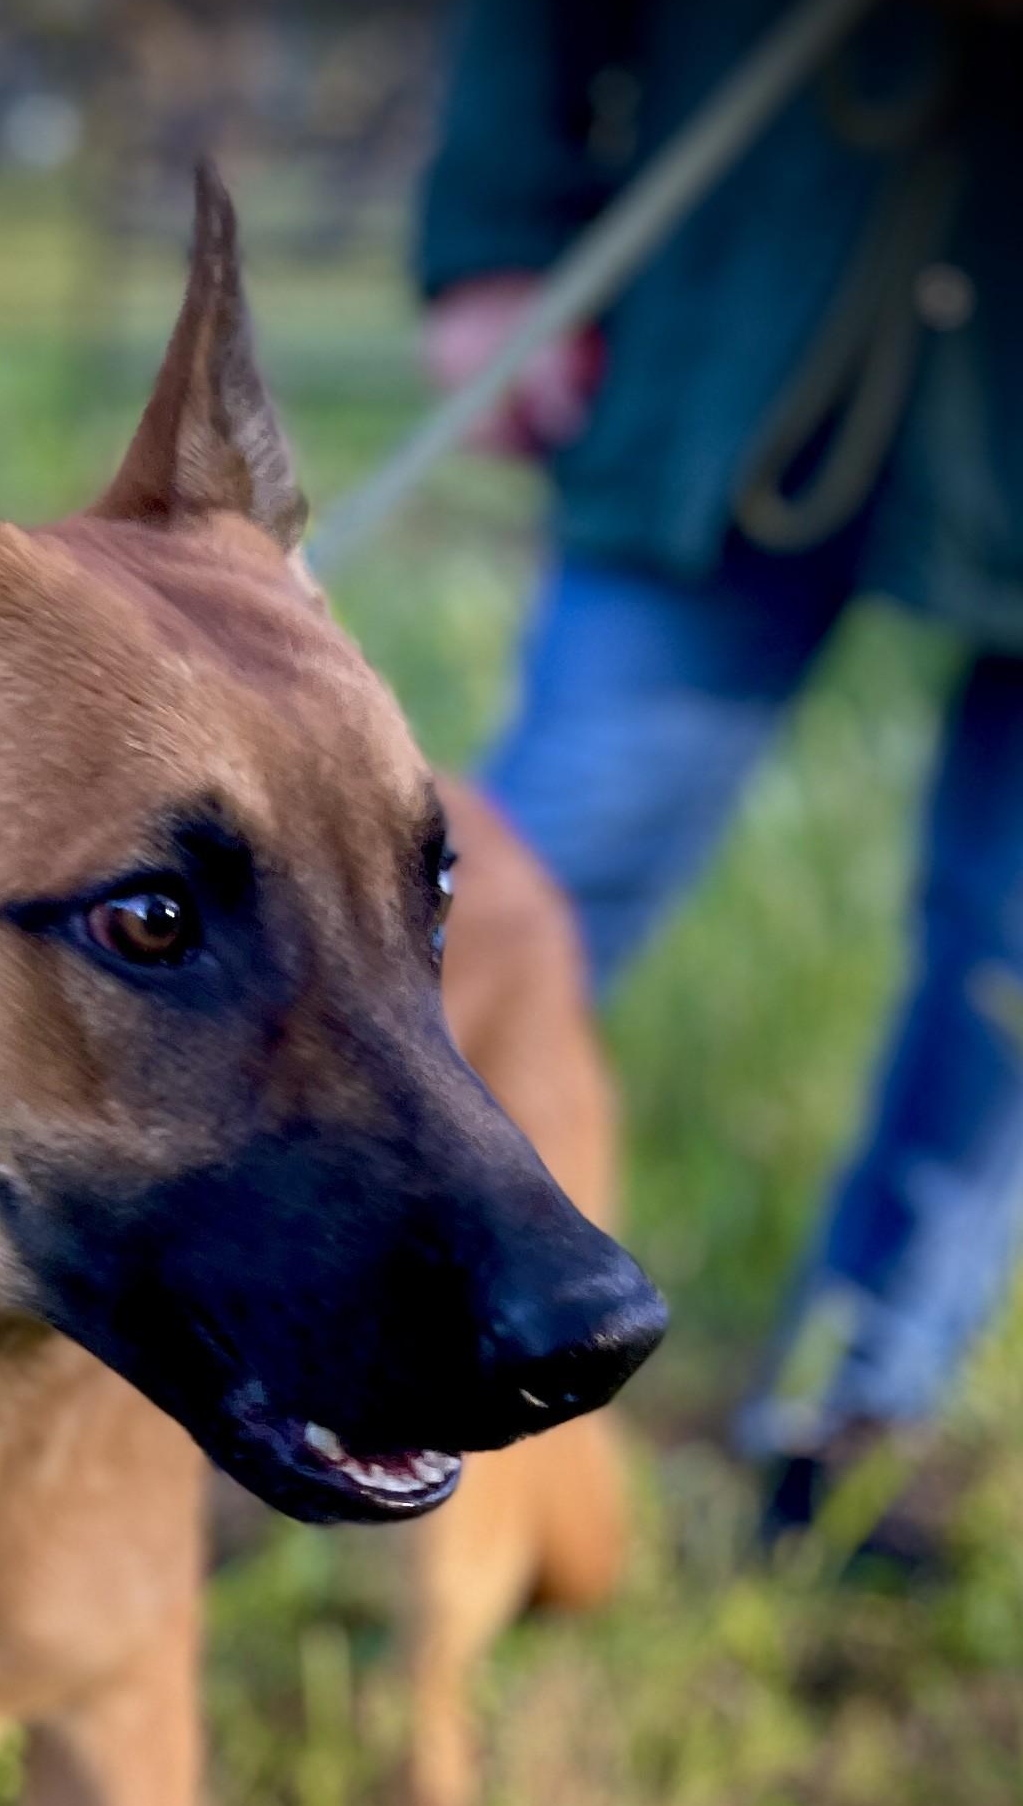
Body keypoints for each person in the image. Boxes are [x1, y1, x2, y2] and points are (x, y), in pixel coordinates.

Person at [416, 0, 1023, 1557]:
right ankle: (347, 1317)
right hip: (738, 314)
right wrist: (497, 234)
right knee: (515, 888)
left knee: (1013, 963)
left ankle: (853, 1411)